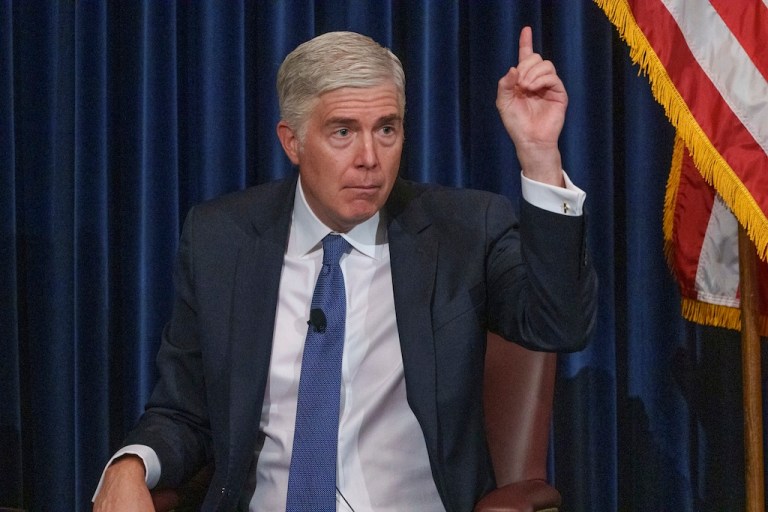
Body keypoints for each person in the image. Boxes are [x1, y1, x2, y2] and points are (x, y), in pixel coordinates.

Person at [93, 28, 597, 511]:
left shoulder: (463, 230)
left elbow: (561, 323)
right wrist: (130, 465)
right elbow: (185, 411)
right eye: (342, 132)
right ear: (292, 142)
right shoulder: (221, 240)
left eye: (386, 129)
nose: (369, 159)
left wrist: (538, 156)